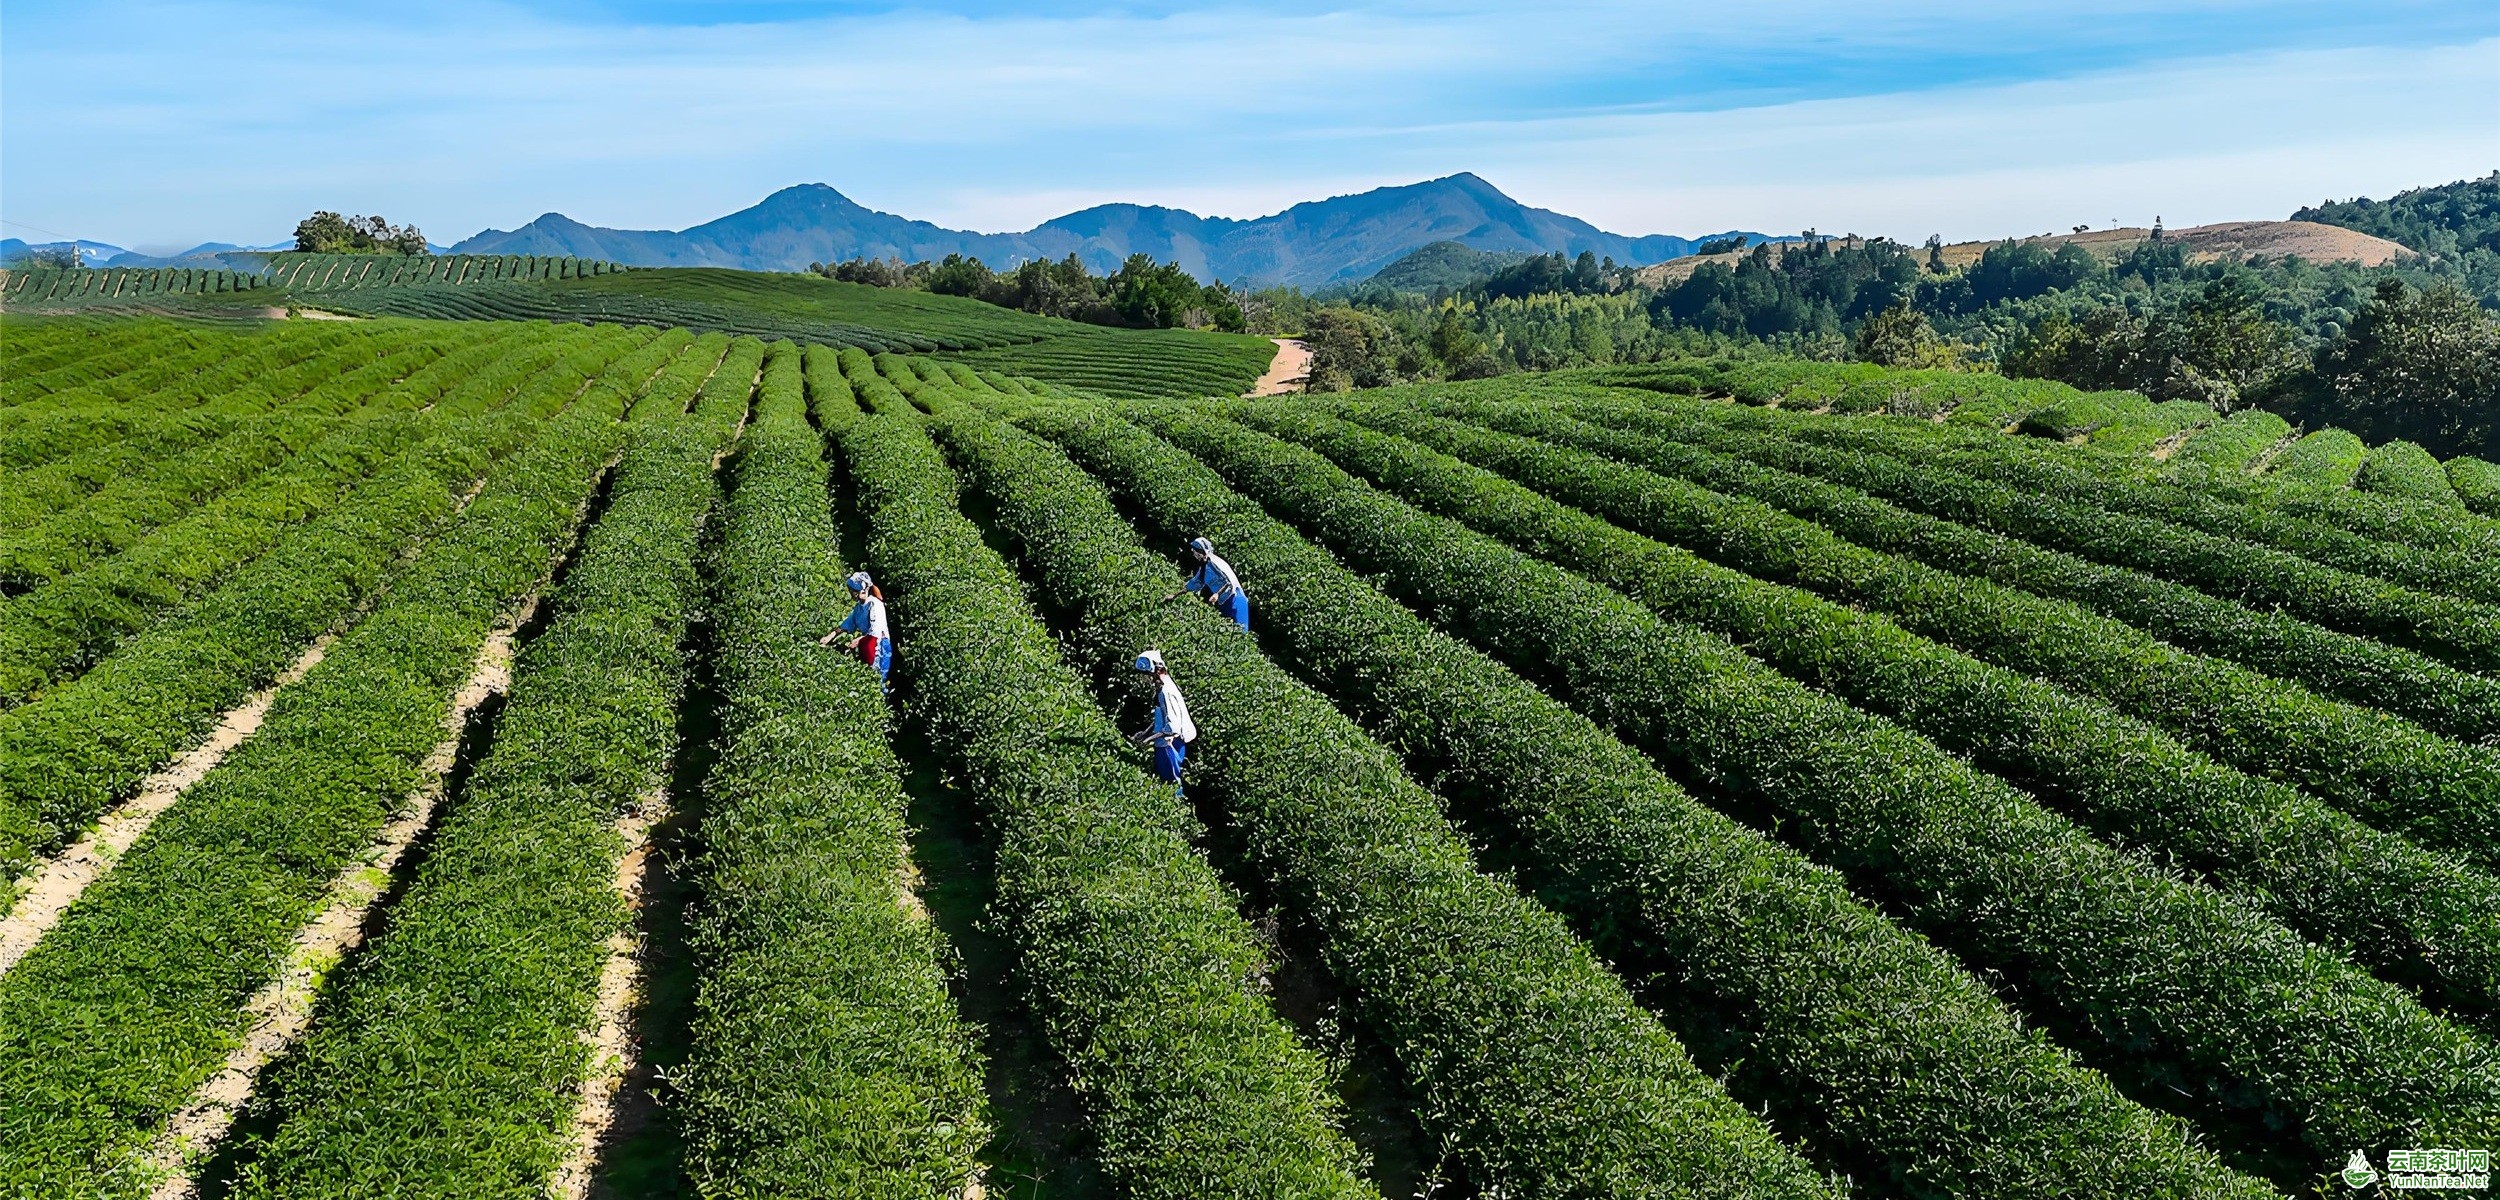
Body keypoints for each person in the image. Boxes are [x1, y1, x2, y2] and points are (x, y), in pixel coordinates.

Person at [1127, 649, 1197, 797]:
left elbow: (1172, 727)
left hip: (1170, 744)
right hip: (1165, 742)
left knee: (1171, 782)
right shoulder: (1164, 687)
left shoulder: (1166, 692)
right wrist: (1145, 733)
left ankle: (1177, 812)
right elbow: (1162, 718)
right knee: (1167, 781)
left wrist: (1147, 740)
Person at [819, 571, 894, 690]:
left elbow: (876, 630)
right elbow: (848, 623)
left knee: (877, 678)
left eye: (854, 591)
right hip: (867, 643)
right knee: (867, 674)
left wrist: (858, 640)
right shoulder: (859, 607)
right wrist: (830, 636)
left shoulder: (875, 605)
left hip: (879, 645)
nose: (852, 594)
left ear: (863, 589)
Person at [1163, 536, 1249, 631]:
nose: (1193, 554)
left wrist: (1217, 594)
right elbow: (1192, 585)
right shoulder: (1204, 568)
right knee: (1229, 632)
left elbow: (1228, 582)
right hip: (1224, 602)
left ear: (1200, 551)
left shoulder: (1214, 562)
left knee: (1240, 632)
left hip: (1236, 599)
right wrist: (1174, 596)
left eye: (1194, 551)